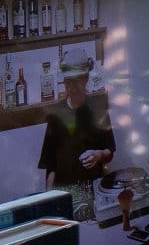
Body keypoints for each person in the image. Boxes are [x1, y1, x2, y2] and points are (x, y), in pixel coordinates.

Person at [38, 59, 114, 190]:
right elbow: (50, 163)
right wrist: (49, 197)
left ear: (85, 80)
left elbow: (110, 152)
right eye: (69, 82)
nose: (73, 88)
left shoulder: (98, 109)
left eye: (77, 81)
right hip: (65, 191)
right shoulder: (55, 114)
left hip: (95, 187)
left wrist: (98, 155)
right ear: (64, 82)